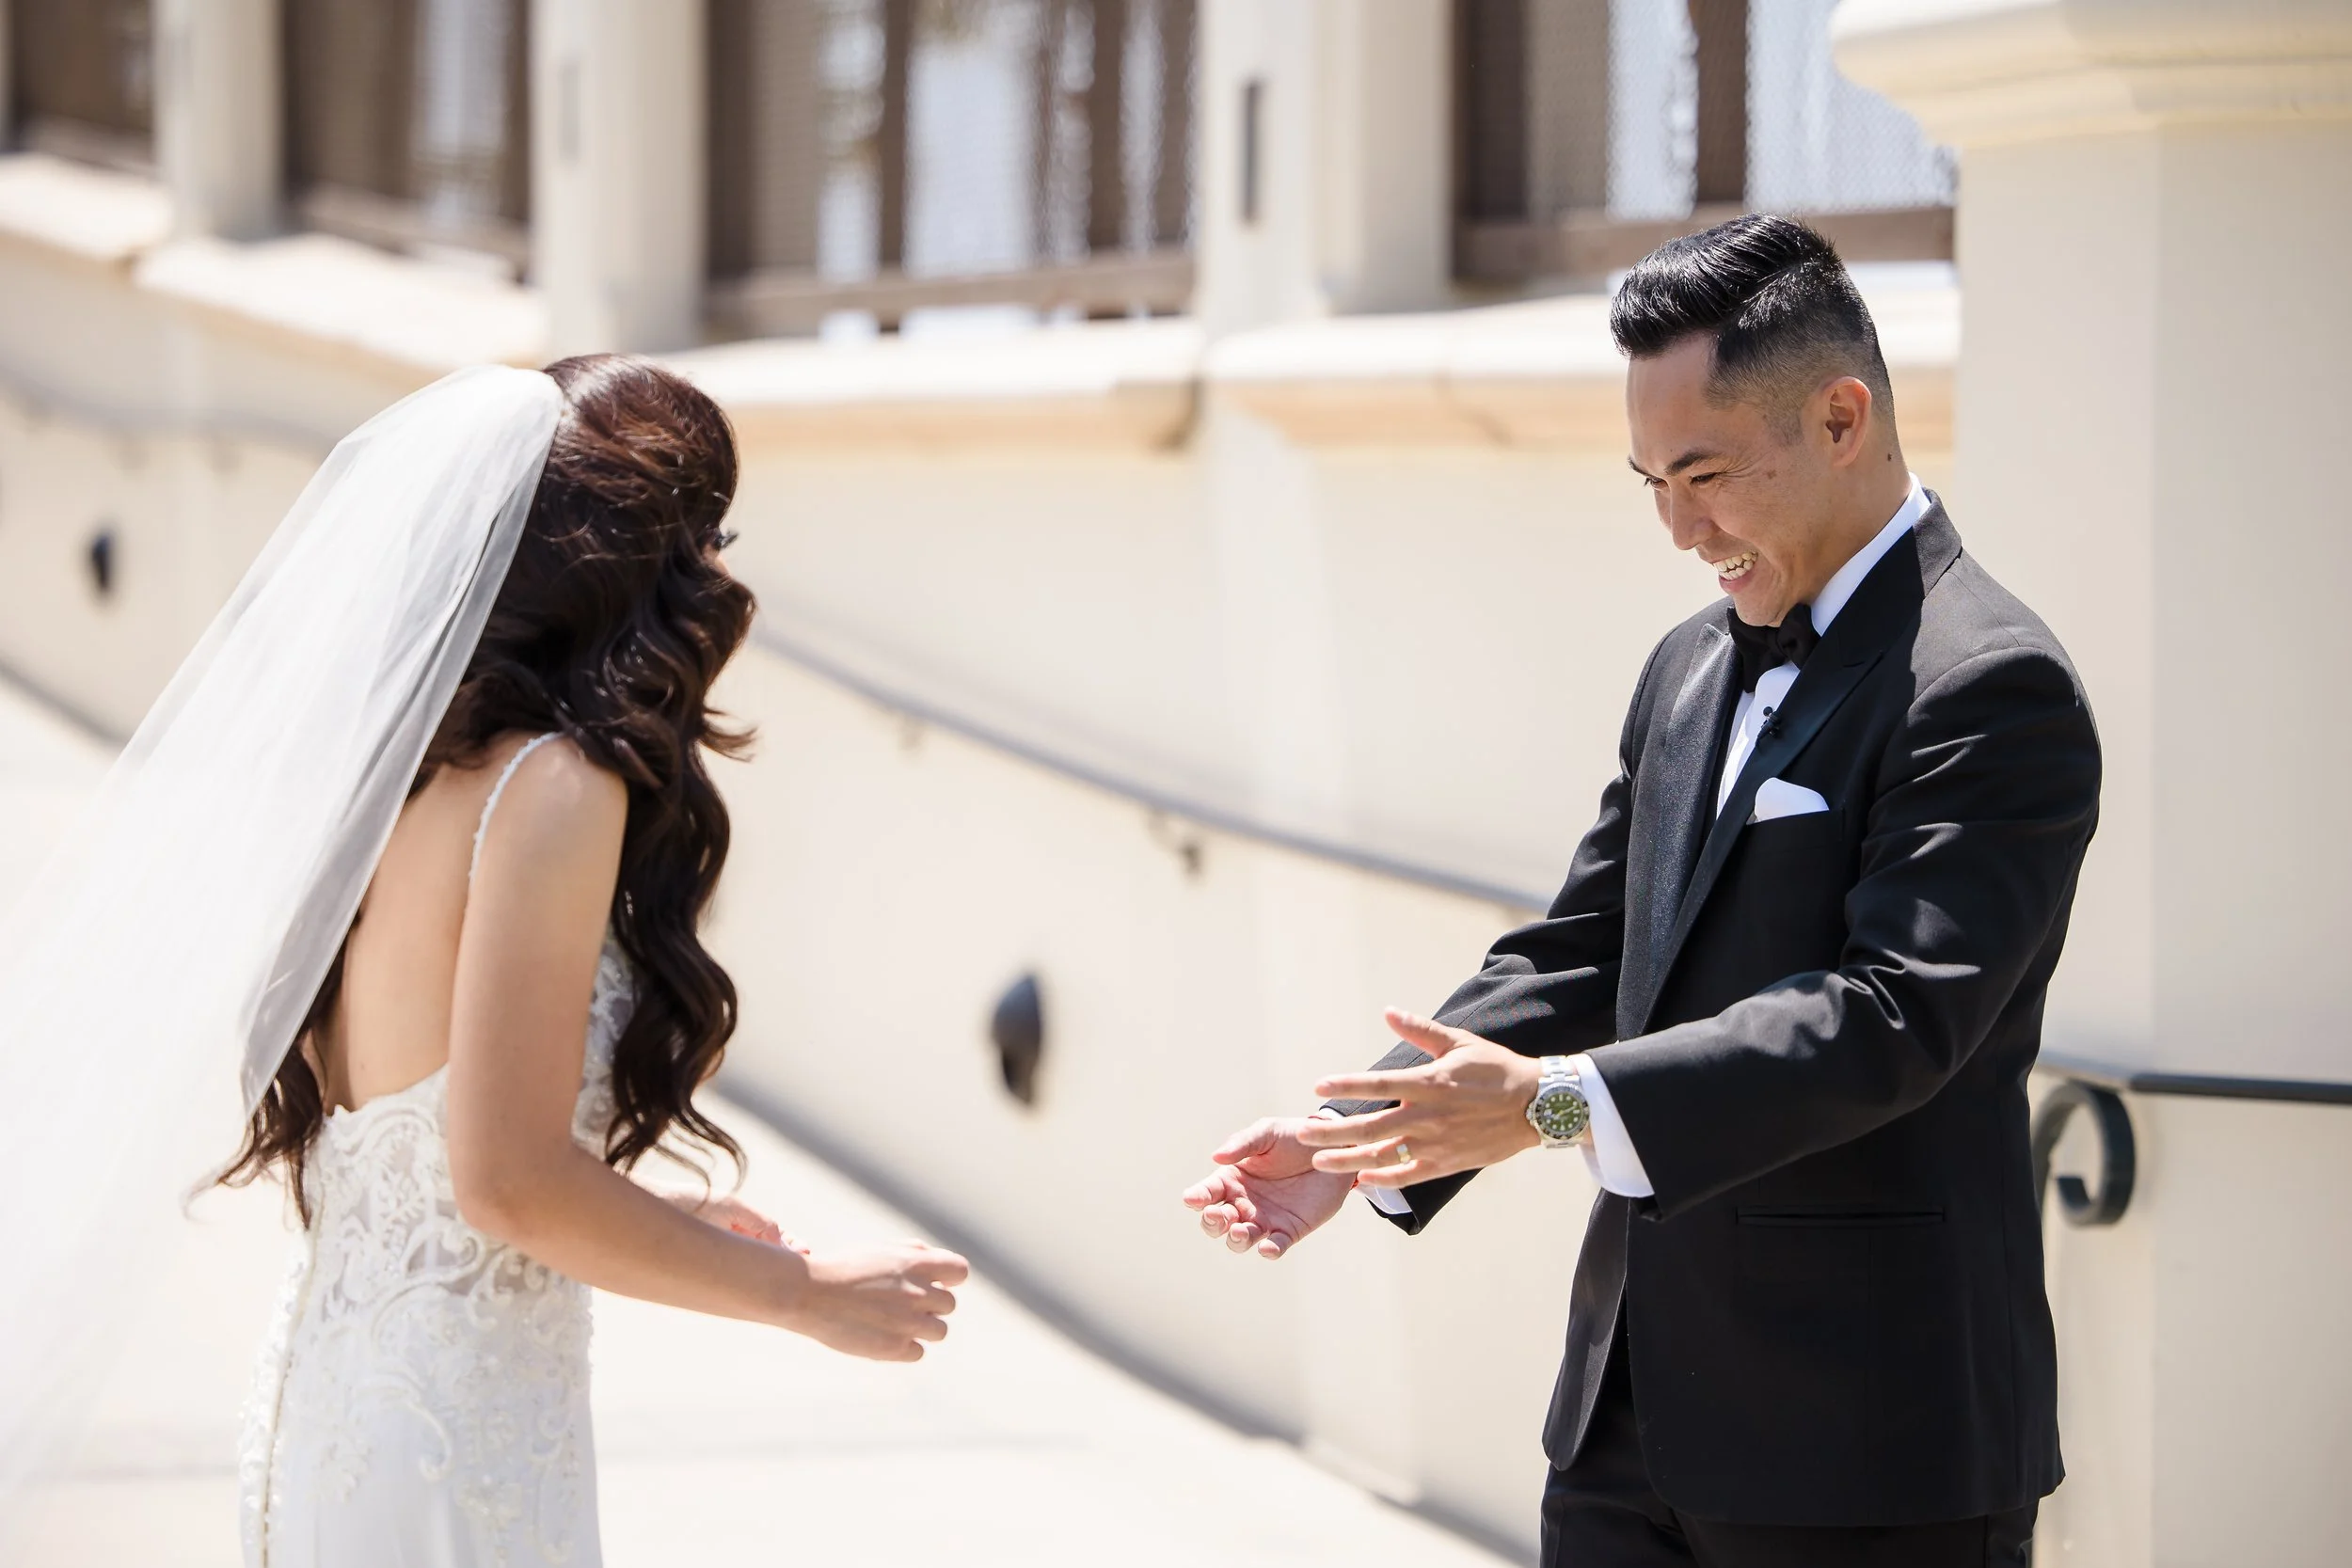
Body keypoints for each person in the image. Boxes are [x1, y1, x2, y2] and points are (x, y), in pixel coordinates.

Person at [1184, 216, 2099, 1568]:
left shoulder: (1990, 684)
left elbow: (1893, 1015)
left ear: (1842, 416)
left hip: (1870, 1446)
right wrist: (1357, 1132)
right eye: (1651, 481)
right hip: (1622, 1430)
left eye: (1707, 472)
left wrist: (1548, 1107)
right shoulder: (1686, 664)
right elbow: (1589, 941)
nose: (1679, 526)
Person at [0, 357, 967, 1567]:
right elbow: (502, 1182)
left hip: (334, 1418)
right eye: (704, 532)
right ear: (631, 561)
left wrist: (660, 1212)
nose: (720, 571)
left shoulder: (398, 778)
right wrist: (806, 1293)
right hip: (448, 1457)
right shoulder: (552, 784)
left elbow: (413, 1153)